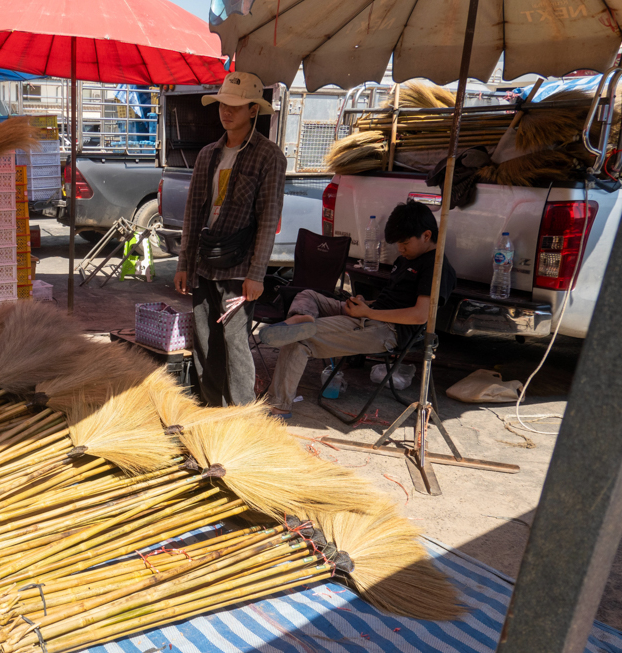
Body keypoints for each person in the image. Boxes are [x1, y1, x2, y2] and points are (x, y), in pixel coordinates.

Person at [264, 200, 458, 418]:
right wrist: (366, 304)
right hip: (371, 314)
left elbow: (420, 315)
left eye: (404, 243)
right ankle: (301, 320)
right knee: (308, 295)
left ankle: (279, 407)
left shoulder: (436, 266)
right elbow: (393, 300)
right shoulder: (407, 258)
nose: (400, 249)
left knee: (298, 340)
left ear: (426, 235)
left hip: (386, 329)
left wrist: (368, 313)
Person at [173, 72, 285, 407]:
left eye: (236, 106)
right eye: (223, 104)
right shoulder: (208, 154)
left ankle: (243, 419)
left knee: (235, 343)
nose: (227, 112)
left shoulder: (268, 156)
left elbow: (268, 219)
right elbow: (193, 213)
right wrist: (183, 263)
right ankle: (211, 412)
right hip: (206, 262)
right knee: (205, 342)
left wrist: (257, 274)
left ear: (253, 110)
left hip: (239, 269)